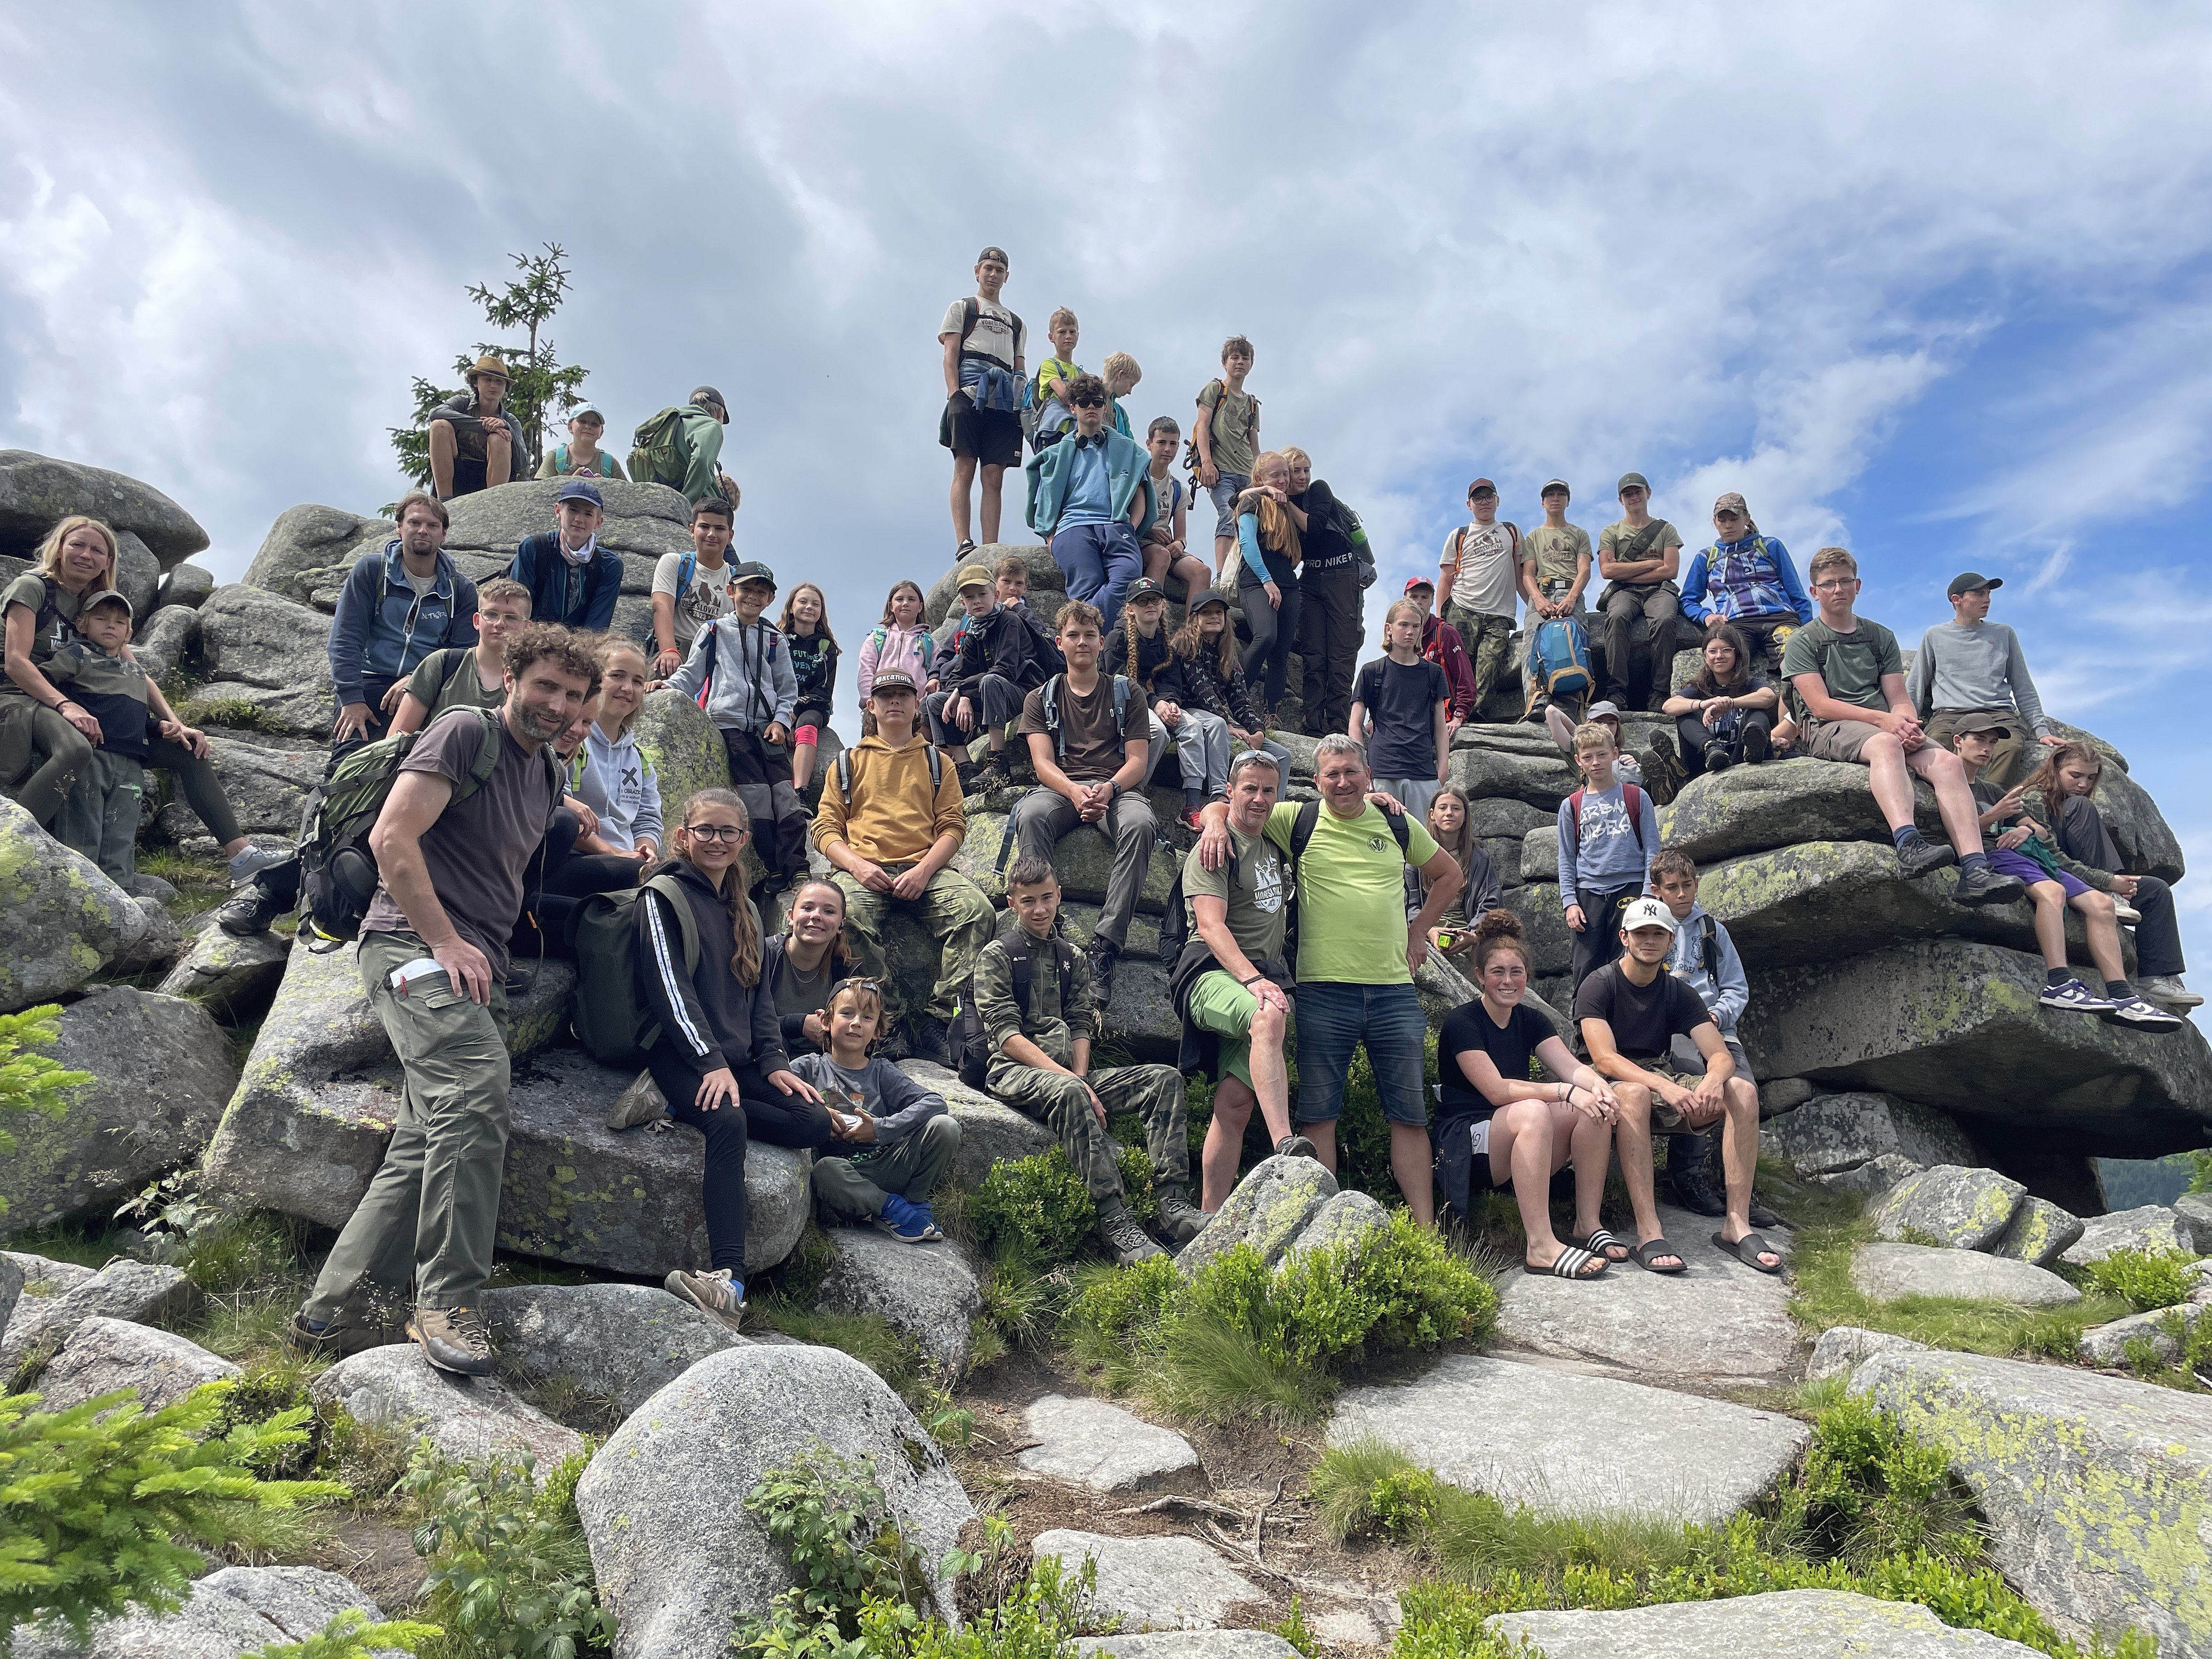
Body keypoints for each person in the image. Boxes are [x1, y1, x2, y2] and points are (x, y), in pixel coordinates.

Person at [288, 624, 599, 1372]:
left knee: (425, 1134)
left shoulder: (547, 773)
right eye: (546, 686)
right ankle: (448, 1303)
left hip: (470, 968)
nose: (557, 705)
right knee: (476, 1087)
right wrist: (446, 940)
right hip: (409, 946)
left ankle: (332, 1313)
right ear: (510, 679)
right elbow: (392, 839)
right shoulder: (464, 731)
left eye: (573, 695)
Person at [1194, 734, 1463, 1220]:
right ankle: (1321, 1229)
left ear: (1368, 776)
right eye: (1332, 775)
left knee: (1410, 1117)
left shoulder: (1397, 822)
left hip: (1394, 992)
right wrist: (1212, 822)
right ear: (1316, 782)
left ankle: (1426, 1236)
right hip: (1323, 991)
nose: (1342, 782)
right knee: (1319, 1119)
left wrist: (1419, 930)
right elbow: (1235, 806)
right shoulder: (1296, 819)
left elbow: (1450, 875)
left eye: (1351, 772)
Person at [629, 789, 836, 1332]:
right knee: (728, 1122)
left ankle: (676, 1104)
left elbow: (760, 997)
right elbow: (669, 988)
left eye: (728, 832)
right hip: (679, 1052)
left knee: (812, 1120)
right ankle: (729, 1284)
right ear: (684, 836)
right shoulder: (662, 895)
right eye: (705, 830)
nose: (716, 841)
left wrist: (774, 1062)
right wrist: (709, 1061)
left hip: (735, 1061)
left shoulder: (744, 904)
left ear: (744, 840)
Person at [978, 856, 1202, 1263]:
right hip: (1013, 1073)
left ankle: (1172, 1205)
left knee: (1165, 1078)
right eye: (1028, 901)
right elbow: (1007, 1036)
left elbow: (1081, 1024)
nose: (1040, 909)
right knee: (1069, 1091)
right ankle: (1116, 1221)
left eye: (1047, 898)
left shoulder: (1073, 957)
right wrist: (1073, 1083)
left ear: (1059, 895)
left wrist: (1081, 1077)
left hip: (1069, 1075)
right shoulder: (998, 955)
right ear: (1012, 903)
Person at [1781, 547, 2023, 905]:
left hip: (1883, 723)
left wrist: (1908, 723)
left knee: (1949, 763)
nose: (1838, 589)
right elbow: (1820, 705)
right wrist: (1887, 723)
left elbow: (1898, 695)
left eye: (1845, 581)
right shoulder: (1803, 641)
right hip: (1827, 726)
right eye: (1829, 584)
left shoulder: (1879, 636)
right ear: (1815, 592)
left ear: (1858, 586)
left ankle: (1975, 870)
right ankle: (1909, 844)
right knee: (1886, 745)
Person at [1576, 897, 1780, 1276]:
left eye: (1659, 934)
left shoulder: (1678, 993)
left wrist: (1713, 1082)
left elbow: (1721, 1056)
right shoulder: (1600, 984)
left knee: (1742, 1091)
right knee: (1636, 1093)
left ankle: (1736, 1224)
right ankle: (1648, 1231)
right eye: (1641, 933)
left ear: (1672, 941)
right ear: (1624, 937)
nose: (1649, 941)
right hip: (1602, 1084)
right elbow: (1604, 1059)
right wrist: (1665, 1087)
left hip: (1657, 1074)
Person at [814, 667, 995, 1060]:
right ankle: (888, 1020)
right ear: (871, 706)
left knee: (977, 912)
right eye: (885, 695)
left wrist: (924, 871)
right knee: (843, 915)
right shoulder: (847, 763)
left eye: (903, 695)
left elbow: (953, 826)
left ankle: (940, 1021)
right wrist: (857, 866)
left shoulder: (938, 763)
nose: (894, 701)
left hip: (927, 871)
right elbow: (825, 829)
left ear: (917, 705)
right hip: (864, 871)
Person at [1962, 725, 2188, 1029]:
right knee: (2056, 889)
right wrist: (2107, 881)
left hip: (2061, 866)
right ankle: (2060, 981)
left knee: (2148, 891)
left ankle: (2135, 991)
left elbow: (2038, 833)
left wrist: (2026, 828)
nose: (2084, 784)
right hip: (2025, 860)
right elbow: (2049, 853)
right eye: (2076, 775)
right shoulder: (2029, 798)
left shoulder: (1994, 791)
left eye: (2091, 778)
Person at [1438, 911, 1626, 1277]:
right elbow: (1497, 1090)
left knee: (1593, 1108)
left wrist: (1599, 1087)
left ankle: (1587, 1223)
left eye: (1517, 972)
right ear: (1480, 976)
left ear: (1528, 975)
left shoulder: (1531, 1020)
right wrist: (1565, 1092)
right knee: (1535, 1110)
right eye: (1498, 972)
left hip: (1513, 1134)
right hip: (1466, 1142)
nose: (1508, 981)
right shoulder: (1462, 1023)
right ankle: (1540, 1246)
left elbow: (1570, 1067)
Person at [1175, 751, 1310, 1210]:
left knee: (1235, 1104)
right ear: (1230, 791)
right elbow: (1210, 926)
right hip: (1211, 973)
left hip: (1258, 977)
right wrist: (1253, 981)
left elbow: (1337, 802)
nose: (1259, 798)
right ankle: (1286, 1144)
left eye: (1269, 790)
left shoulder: (1274, 839)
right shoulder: (1214, 847)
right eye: (1249, 788)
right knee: (1269, 1016)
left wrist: (1376, 798)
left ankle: (1208, 1220)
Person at [1012, 601, 1157, 986]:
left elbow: (1138, 761)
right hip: (1062, 789)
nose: (1082, 643)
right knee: (1031, 815)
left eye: (1090, 635)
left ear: (1101, 642)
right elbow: (1042, 764)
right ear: (1059, 642)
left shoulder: (1128, 693)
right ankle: (1045, 933)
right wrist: (1075, 792)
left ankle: (1106, 945)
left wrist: (1109, 789)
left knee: (1141, 824)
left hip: (1116, 788)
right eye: (1073, 636)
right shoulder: (1039, 699)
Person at [665, 559, 810, 891]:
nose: (753, 597)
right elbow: (692, 673)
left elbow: (788, 689)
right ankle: (774, 869)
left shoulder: (775, 639)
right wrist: (668, 687)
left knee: (785, 796)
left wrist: (781, 721)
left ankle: (797, 867)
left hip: (768, 730)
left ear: (770, 599)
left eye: (761, 592)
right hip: (729, 727)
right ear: (731, 591)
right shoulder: (714, 631)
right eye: (746, 589)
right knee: (756, 799)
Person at [1648, 850, 1769, 1218]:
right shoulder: (1648, 930)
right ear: (1656, 891)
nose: (1682, 894)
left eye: (1688, 885)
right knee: (1697, 1085)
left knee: (1744, 1093)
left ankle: (1738, 1189)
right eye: (1672, 887)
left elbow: (1736, 987)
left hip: (1718, 1028)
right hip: (1674, 1032)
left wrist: (1718, 1014)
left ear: (1697, 884)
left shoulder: (1713, 930)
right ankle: (1685, 1176)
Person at [801, 978, 963, 1243]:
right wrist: (819, 1114)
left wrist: (879, 1129)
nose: (856, 1023)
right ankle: (890, 1209)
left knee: (946, 1127)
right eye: (847, 1013)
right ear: (826, 1021)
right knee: (825, 1170)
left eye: (867, 1017)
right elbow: (775, 1090)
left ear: (877, 1030)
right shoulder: (809, 1068)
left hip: (890, 1163)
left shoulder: (881, 1071)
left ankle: (914, 1202)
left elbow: (934, 1102)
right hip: (848, 1176)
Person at [327, 493, 479, 755]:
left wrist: (416, 678)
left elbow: (462, 654)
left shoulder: (461, 590)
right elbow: (346, 637)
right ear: (399, 527)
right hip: (368, 681)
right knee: (347, 765)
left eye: (432, 525)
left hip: (425, 690)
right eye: (414, 523)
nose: (423, 531)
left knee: (414, 766)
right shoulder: (372, 571)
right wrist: (351, 699)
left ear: (444, 534)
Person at [37, 591, 154, 884]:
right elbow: (43, 682)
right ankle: (77, 890)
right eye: (101, 619)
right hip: (92, 756)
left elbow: (137, 714)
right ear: (81, 624)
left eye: (119, 622)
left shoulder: (136, 673)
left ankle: (121, 896)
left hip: (131, 763)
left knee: (122, 833)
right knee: (82, 828)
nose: (110, 625)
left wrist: (163, 726)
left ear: (129, 634)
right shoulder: (75, 655)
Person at [1025, 373, 1156, 635]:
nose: (1091, 407)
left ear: (1105, 407)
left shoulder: (1128, 449)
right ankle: (1096, 646)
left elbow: (1140, 495)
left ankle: (1079, 633)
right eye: (1083, 402)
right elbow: (1043, 497)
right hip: (1072, 527)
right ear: (1073, 408)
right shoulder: (1055, 454)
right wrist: (1050, 535)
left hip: (1116, 526)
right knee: (1088, 583)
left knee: (1129, 577)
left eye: (1097, 402)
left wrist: (1129, 527)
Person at [1908, 572, 2063, 788]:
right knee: (1935, 746)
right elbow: (1915, 684)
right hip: (1951, 714)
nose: (1987, 599)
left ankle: (1987, 803)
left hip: (1998, 714)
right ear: (1957, 600)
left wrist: (2042, 731)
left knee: (2010, 747)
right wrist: (1906, 725)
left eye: (1988, 594)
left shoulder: (2004, 634)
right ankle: (1951, 800)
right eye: (1979, 594)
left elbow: (2023, 687)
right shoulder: (1935, 635)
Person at [1164, 590, 1292, 830]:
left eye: (1219, 612)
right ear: (1194, 618)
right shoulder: (1184, 645)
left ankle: (1273, 817)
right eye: (1206, 612)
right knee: (1218, 725)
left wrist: (1257, 731)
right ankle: (1218, 795)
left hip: (1218, 716)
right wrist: (1230, 725)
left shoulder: (1229, 655)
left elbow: (1240, 700)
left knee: (1282, 755)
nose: (1214, 617)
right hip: (1188, 709)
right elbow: (1202, 690)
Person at [927, 563, 1049, 790]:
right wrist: (962, 696)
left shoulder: (1010, 621)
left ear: (996, 595)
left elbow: (1005, 670)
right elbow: (957, 675)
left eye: (982, 594)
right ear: (963, 603)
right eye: (970, 597)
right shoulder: (974, 631)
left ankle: (997, 761)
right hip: (989, 695)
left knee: (991, 680)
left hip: (1022, 694)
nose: (977, 601)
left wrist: (962, 691)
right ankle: (966, 768)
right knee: (935, 701)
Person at [1559, 721, 1660, 990]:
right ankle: (1584, 1017)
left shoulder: (1637, 797)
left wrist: (1648, 893)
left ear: (1615, 754)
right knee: (1585, 970)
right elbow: (1566, 858)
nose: (1596, 762)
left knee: (1629, 967)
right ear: (1578, 761)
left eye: (1602, 755)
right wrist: (1570, 902)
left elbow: (1652, 849)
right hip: (1588, 896)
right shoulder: (1571, 806)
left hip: (1631, 889)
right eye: (1588, 757)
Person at [939, 246, 1026, 555]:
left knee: (994, 475)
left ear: (1007, 276)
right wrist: (954, 394)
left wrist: (1021, 403)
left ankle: (990, 546)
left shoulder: (1016, 323)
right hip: (969, 391)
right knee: (965, 465)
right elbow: (950, 353)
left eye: (999, 270)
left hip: (1003, 399)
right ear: (977, 271)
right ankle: (964, 541)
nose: (993, 274)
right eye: (988, 268)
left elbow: (1019, 366)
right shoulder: (963, 308)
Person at [1641, 622, 1779, 802]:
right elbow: (1668, 706)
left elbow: (1769, 697)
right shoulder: (1699, 688)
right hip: (1709, 761)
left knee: (1757, 710)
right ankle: (1710, 747)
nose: (1719, 656)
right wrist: (1703, 704)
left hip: (1741, 756)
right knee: (1685, 712)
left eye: (1726, 650)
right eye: (1713, 651)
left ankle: (1753, 748)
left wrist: (1730, 703)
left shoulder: (1749, 684)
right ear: (1705, 656)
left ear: (1737, 654)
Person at [1283, 447, 1367, 739]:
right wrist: (1269, 491)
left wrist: (1285, 502)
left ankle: (1338, 729)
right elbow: (1238, 499)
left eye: (1306, 469)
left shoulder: (1319, 490)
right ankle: (1313, 727)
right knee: (1314, 655)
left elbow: (1315, 528)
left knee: (1341, 656)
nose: (1303, 476)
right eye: (1296, 471)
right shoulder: (1277, 499)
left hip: (1342, 576)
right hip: (1311, 579)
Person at [1679, 493, 1810, 675]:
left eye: (1734, 518)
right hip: (1735, 624)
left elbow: (1797, 593)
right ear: (1715, 522)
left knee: (1797, 663)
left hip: (1780, 618)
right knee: (1728, 667)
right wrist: (1705, 616)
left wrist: (1807, 631)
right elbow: (1687, 600)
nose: (1728, 525)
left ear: (1747, 518)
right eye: (1722, 519)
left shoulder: (1770, 546)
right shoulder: (1706, 558)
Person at [1108, 577, 1206, 821]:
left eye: (1154, 599)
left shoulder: (1166, 643)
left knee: (1193, 727)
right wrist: (1154, 702)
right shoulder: (1117, 638)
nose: (1149, 605)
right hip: (1125, 703)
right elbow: (1117, 681)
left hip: (1156, 703)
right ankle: (1133, 790)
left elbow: (1171, 681)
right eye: (1142, 601)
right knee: (1157, 731)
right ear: (1130, 608)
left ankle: (1192, 805)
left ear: (1163, 605)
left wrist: (1171, 702)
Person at [1349, 599, 1451, 817]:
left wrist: (1442, 771)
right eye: (1404, 625)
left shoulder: (1434, 673)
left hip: (1423, 772)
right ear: (1389, 629)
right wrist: (1361, 769)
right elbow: (1355, 724)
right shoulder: (1372, 671)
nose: (1410, 632)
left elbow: (1441, 726)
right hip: (1382, 770)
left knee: (1422, 838)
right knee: (1380, 836)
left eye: (1416, 626)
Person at [390, 578, 532, 736]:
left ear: (527, 628)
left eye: (511, 617)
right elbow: (396, 739)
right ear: (477, 621)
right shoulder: (442, 664)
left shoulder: (532, 679)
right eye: (491, 614)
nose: (499, 623)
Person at [1594, 472, 1685, 710]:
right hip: (1624, 592)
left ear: (1648, 493)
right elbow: (1607, 570)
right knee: (1616, 617)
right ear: (1620, 500)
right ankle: (1616, 691)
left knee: (1665, 620)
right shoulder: (1611, 532)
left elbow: (1671, 570)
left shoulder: (1666, 530)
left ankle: (1660, 692)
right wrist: (1652, 564)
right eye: (1627, 494)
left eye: (1637, 491)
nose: (1633, 497)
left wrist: (1624, 571)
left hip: (1660, 590)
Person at [570, 639, 662, 864]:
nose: (628, 688)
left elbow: (648, 820)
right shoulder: (570, 739)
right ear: (595, 680)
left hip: (627, 861)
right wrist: (614, 854)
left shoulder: (640, 758)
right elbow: (557, 810)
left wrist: (646, 852)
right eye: (617, 676)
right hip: (577, 858)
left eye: (637, 681)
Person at [1436, 478, 1521, 718]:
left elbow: (1519, 574)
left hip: (1499, 614)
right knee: (1457, 666)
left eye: (1489, 497)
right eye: (1477, 498)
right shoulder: (1459, 535)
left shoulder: (1511, 531)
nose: (1484, 502)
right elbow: (1445, 580)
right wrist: (1439, 619)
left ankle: (1472, 716)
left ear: (1498, 500)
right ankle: (1449, 714)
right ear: (1469, 504)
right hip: (1462, 607)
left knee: (1490, 666)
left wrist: (1536, 606)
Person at [1235, 451, 1304, 718]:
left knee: (1280, 654)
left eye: (1285, 474)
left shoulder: (1287, 506)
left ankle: (1270, 713)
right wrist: (1267, 581)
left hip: (1288, 583)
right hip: (1256, 581)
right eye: (1275, 475)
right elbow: (1248, 544)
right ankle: (1232, 697)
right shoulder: (1252, 501)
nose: (1283, 480)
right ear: (1260, 478)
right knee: (1266, 637)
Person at [1519, 479, 1594, 723]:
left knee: (1573, 642)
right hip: (1541, 593)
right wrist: (1538, 599)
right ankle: (1535, 702)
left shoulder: (1580, 534)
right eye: (1550, 495)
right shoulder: (1534, 537)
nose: (1555, 498)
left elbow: (1584, 570)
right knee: (1532, 646)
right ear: (1542, 503)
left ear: (1568, 501)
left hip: (1570, 591)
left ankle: (1572, 705)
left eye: (1561, 494)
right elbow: (1528, 574)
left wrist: (1572, 597)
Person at [764, 879, 865, 1057]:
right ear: (791, 916)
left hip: (824, 1061)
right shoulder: (764, 955)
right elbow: (738, 1021)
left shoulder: (846, 971)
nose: (816, 916)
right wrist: (800, 1024)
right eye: (807, 908)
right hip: (765, 1057)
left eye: (829, 911)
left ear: (841, 924)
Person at [508, 478, 623, 633]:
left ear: (598, 522)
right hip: (531, 639)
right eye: (573, 510)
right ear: (558, 511)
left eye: (588, 514)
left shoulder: (609, 565)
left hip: (581, 645)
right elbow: (517, 608)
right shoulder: (534, 548)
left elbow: (597, 627)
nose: (579, 519)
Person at [1194, 336, 1260, 582]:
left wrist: (1260, 474)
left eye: (1245, 358)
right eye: (1235, 357)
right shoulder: (1215, 390)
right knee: (1228, 514)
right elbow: (1202, 426)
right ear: (1225, 362)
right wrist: (1207, 462)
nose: (1240, 362)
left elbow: (1254, 444)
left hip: (1247, 472)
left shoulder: (1252, 404)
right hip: (1222, 470)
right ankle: (1223, 577)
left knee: (1251, 521)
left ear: (1251, 364)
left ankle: (1244, 573)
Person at [650, 496, 737, 679]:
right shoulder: (674, 563)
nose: (711, 534)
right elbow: (661, 607)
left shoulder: (737, 579)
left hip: (715, 659)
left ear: (730, 536)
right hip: (676, 651)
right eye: (704, 526)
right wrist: (669, 650)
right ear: (692, 530)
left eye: (720, 528)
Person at [428, 356, 526, 501]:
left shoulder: (510, 421)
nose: (493, 385)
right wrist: (483, 426)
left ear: (506, 387)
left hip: (489, 477)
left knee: (500, 437)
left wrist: (507, 428)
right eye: (487, 380)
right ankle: (444, 501)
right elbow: (435, 413)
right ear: (475, 382)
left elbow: (521, 464)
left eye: (499, 382)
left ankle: (494, 503)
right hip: (457, 473)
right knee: (439, 426)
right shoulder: (461, 404)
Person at [1420, 786, 1502, 960]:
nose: (1449, 813)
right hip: (1425, 928)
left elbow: (1489, 902)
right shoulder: (1417, 852)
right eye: (1443, 808)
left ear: (1465, 816)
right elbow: (1408, 902)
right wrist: (1427, 930)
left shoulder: (1479, 857)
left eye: (1456, 808)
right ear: (1433, 814)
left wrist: (1474, 934)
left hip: (1466, 928)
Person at [1140, 417, 1210, 600]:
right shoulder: (1137, 478)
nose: (1168, 449)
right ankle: (1151, 611)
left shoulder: (1178, 489)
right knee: (1161, 555)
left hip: (1165, 545)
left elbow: (1181, 536)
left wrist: (1179, 544)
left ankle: (1192, 620)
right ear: (1149, 444)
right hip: (1139, 541)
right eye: (1161, 443)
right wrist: (1148, 531)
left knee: (1202, 571)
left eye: (1173, 444)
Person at [779, 582, 839, 797]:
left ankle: (800, 791)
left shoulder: (826, 646)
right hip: (780, 706)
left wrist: (794, 713)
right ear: (791, 608)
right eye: (803, 602)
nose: (809, 607)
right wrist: (784, 717)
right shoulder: (777, 640)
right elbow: (769, 682)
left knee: (807, 723)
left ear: (821, 612)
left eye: (816, 604)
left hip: (813, 707)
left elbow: (824, 690)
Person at [856, 580, 936, 738]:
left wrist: (920, 707)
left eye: (911, 599)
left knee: (913, 752)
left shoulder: (930, 643)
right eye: (900, 599)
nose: (905, 603)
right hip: (879, 710)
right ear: (891, 606)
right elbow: (866, 671)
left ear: (920, 607)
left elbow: (935, 676)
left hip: (915, 713)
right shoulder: (877, 638)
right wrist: (870, 701)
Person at [1403, 577, 1477, 740]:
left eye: (1425, 597)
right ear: (1405, 599)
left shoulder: (1445, 633)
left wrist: (1460, 714)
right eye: (1414, 597)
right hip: (1407, 719)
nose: (1419, 602)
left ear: (1432, 601)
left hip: (1441, 718)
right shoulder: (1399, 634)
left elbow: (1464, 677)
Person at [1030, 308, 1085, 450]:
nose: (1068, 336)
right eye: (1062, 332)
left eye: (1072, 332)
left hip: (1075, 433)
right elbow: (1064, 394)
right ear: (1051, 337)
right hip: (1053, 431)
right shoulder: (1049, 365)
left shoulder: (1080, 373)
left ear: (1078, 336)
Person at [535, 403, 627, 480]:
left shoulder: (610, 464)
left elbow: (627, 493)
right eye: (582, 422)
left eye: (595, 424)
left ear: (601, 433)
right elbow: (539, 492)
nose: (588, 427)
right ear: (570, 427)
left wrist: (605, 488)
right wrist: (571, 486)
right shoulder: (555, 457)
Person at [1102, 351, 1141, 439]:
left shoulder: (1121, 414)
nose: (1130, 392)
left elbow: (1130, 444)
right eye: (1131, 385)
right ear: (1121, 375)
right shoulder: (1086, 397)